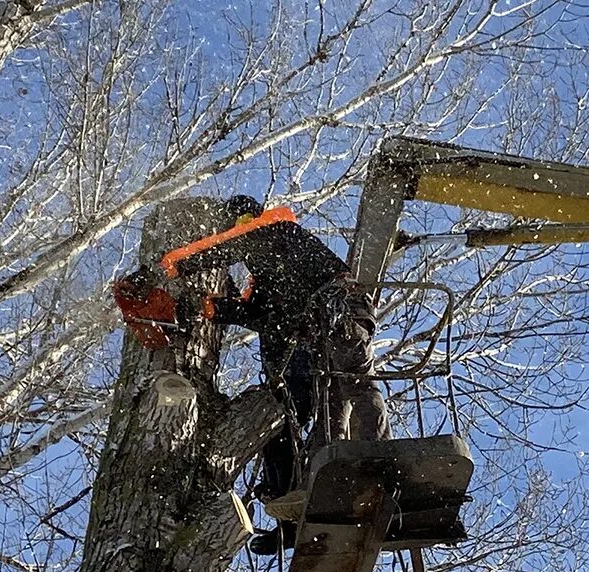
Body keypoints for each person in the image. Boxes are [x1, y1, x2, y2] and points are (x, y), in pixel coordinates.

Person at [113, 195, 390, 552]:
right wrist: (205, 307)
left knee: (354, 384)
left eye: (239, 224)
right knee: (312, 414)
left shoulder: (277, 231)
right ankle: (307, 494)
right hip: (314, 333)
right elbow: (260, 313)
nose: (238, 233)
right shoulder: (272, 275)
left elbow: (221, 249)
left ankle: (382, 461)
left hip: (339, 311)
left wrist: (161, 270)